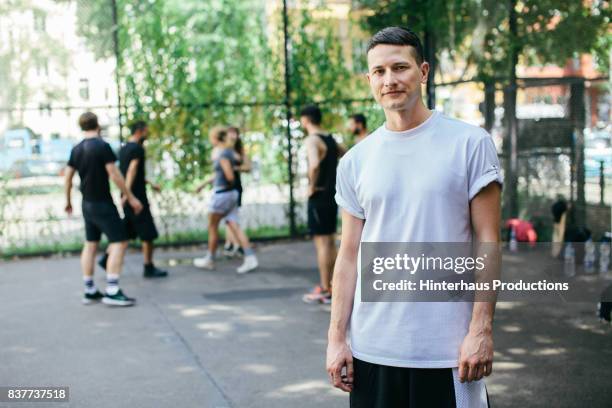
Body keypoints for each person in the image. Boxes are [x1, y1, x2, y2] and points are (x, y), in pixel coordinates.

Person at [326, 27, 502, 407]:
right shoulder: (355, 161)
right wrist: (337, 339)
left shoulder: (470, 144)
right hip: (372, 353)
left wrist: (481, 330)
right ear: (369, 79)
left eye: (400, 67)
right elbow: (348, 256)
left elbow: (488, 240)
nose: (389, 80)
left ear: (423, 72)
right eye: (379, 71)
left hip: (450, 352)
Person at [65, 112, 143, 307]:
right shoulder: (102, 146)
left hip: (87, 204)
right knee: (120, 241)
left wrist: (68, 201)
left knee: (91, 243)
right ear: (97, 125)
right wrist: (130, 196)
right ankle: (112, 289)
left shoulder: (76, 149)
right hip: (102, 203)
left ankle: (90, 289)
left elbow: (67, 178)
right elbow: (115, 175)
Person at [97, 120, 168, 278]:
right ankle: (148, 266)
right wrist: (129, 195)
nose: (148, 133)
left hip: (128, 196)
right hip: (136, 199)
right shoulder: (138, 149)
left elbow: (128, 172)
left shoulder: (123, 149)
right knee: (148, 233)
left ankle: (106, 259)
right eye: (146, 130)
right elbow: (132, 170)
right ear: (140, 131)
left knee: (125, 231)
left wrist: (149, 184)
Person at [193, 127, 258, 274]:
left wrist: (226, 187)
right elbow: (225, 172)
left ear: (216, 138)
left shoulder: (223, 154)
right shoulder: (231, 152)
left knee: (212, 225)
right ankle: (250, 257)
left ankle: (209, 259)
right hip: (231, 193)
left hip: (223, 193)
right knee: (233, 224)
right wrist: (204, 184)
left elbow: (229, 176)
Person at [300, 105, 345, 304]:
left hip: (318, 195)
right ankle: (335, 286)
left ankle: (326, 288)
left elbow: (315, 164)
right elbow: (347, 154)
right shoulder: (330, 139)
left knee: (323, 243)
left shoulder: (312, 139)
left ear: (305, 120)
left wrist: (311, 185)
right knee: (330, 241)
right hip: (331, 195)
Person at [223, 126, 252, 258]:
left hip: (236, 186)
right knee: (229, 218)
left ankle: (232, 244)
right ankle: (232, 244)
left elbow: (248, 167)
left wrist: (235, 168)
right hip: (224, 187)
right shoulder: (223, 150)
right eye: (230, 133)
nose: (233, 135)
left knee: (232, 217)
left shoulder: (239, 151)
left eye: (235, 133)